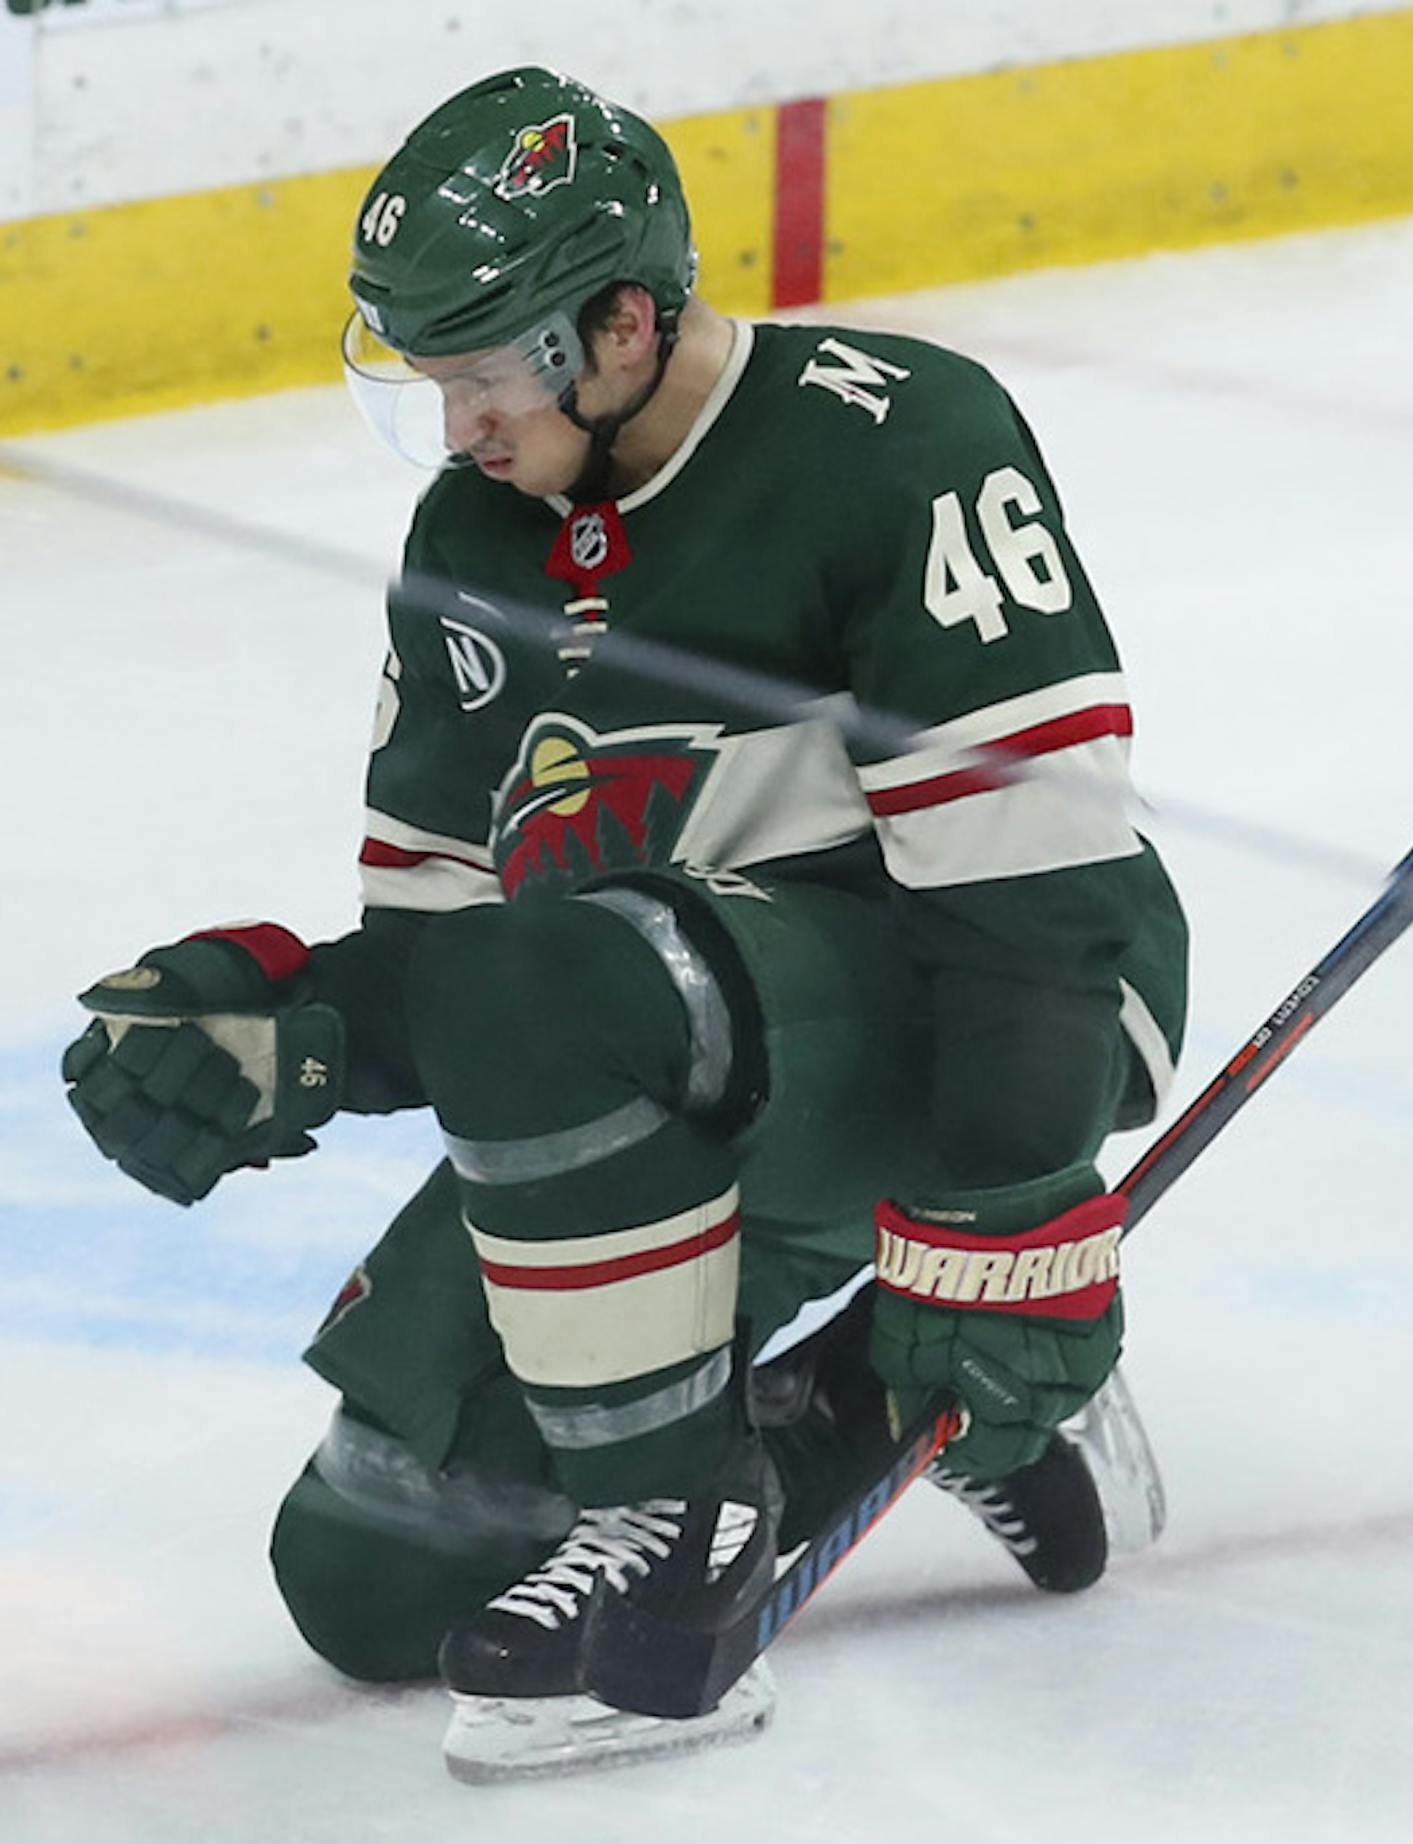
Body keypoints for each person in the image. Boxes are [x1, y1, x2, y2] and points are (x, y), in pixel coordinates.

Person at [61, 66, 1188, 1775]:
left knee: (566, 981)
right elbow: (457, 973)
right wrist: (277, 1032)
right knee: (366, 1577)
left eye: (488, 377)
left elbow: (1035, 879)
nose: (459, 433)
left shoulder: (896, 439)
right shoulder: (472, 541)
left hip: (987, 1013)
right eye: (426, 387)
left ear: (627, 323)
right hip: (657, 1040)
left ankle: (684, 1536)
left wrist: (1012, 1209)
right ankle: (864, 1401)